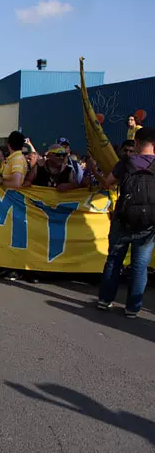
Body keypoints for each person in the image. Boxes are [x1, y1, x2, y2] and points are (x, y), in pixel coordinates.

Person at [92, 127, 155, 319]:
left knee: (114, 260)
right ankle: (132, 308)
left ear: (136, 143)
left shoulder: (125, 163)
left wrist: (94, 169)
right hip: (149, 225)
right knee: (139, 266)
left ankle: (105, 300)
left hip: (123, 220)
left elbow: (107, 183)